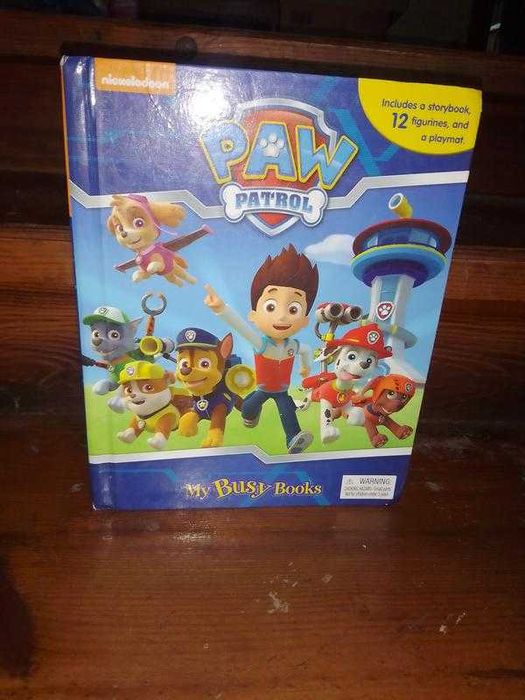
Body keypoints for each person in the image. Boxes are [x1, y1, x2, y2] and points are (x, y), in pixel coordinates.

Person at [204, 244, 319, 454]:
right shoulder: (261, 344)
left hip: (283, 390)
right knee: (248, 408)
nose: (282, 317)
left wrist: (306, 367)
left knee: (287, 409)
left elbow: (306, 350)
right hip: (264, 388)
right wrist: (222, 309)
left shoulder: (293, 345)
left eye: (293, 309)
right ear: (254, 315)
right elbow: (241, 327)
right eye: (271, 307)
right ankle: (249, 416)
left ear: (304, 320)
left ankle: (293, 439)